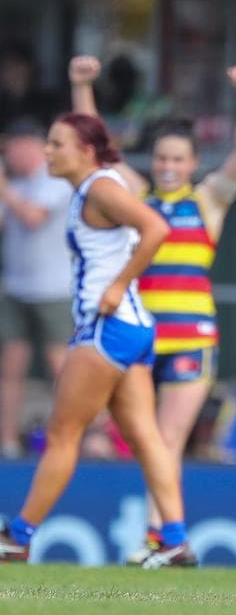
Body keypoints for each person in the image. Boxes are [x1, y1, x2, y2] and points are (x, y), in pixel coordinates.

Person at [68, 54, 236, 563]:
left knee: (169, 438)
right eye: (161, 159)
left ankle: (160, 538)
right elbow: (97, 156)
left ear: (193, 163)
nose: (169, 167)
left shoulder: (208, 201)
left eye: (179, 160)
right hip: (141, 335)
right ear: (151, 162)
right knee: (146, 440)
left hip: (192, 338)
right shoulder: (136, 198)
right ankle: (165, 538)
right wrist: (82, 86)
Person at [0, 113, 193, 567]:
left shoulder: (99, 188)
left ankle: (18, 537)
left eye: (56, 144)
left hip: (108, 327)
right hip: (134, 326)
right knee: (146, 437)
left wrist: (117, 284)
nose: (48, 152)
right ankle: (176, 539)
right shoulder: (93, 187)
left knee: (62, 434)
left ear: (86, 151)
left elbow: (157, 229)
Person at [0, 118, 73, 458]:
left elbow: (33, 217)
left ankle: (70, 439)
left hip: (54, 290)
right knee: (9, 368)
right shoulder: (14, 183)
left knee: (62, 368)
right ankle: (8, 441)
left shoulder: (53, 181)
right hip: (16, 288)